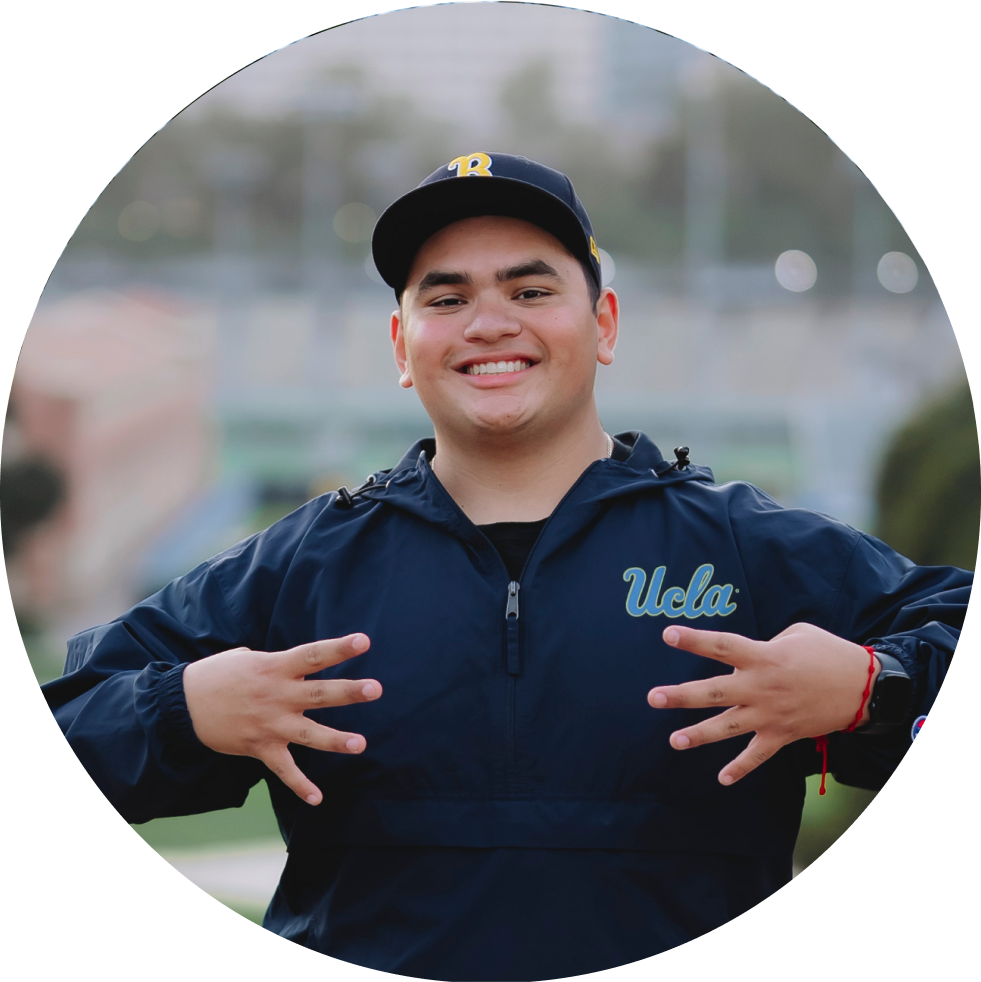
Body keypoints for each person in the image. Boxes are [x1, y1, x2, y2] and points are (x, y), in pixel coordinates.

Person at [43, 152, 970, 982]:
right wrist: (184, 712)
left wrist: (873, 690)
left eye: (529, 292)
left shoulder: (741, 547)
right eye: (445, 298)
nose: (487, 323)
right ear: (402, 346)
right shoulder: (305, 566)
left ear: (602, 323)